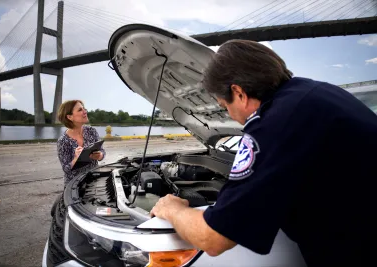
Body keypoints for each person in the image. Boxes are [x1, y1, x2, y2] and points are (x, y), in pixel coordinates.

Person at [150, 39, 377, 266]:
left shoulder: (275, 122)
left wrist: (173, 210)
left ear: (238, 92)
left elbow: (214, 238)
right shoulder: (318, 93)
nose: (229, 114)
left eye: (224, 105)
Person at [56, 100, 106, 186]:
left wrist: (100, 155)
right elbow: (66, 169)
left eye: (84, 109)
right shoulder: (63, 141)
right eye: (80, 110)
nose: (85, 111)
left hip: (93, 181)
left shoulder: (91, 131)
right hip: (74, 186)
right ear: (69, 117)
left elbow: (102, 151)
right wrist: (76, 159)